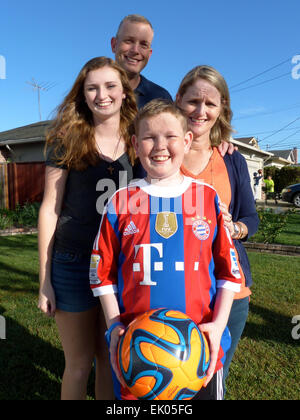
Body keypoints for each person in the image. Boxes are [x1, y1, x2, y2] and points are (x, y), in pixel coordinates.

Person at [90, 99, 242, 400]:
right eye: (149, 137)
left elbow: (230, 274)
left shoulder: (207, 198)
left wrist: (218, 325)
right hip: (138, 352)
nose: (160, 146)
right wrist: (114, 326)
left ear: (187, 141)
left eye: (171, 136)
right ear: (135, 143)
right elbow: (101, 275)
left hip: (200, 350)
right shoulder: (120, 201)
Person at [38, 56, 140, 400]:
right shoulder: (67, 137)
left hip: (121, 265)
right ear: (82, 94)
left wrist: (221, 140)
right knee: (79, 364)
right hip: (74, 261)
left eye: (110, 86)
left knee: (111, 359)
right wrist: (44, 279)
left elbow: (183, 141)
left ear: (124, 91)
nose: (102, 95)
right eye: (92, 87)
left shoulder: (140, 139)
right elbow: (50, 209)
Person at [175, 66, 259, 387]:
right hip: (175, 289)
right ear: (179, 99)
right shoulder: (163, 152)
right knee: (169, 378)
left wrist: (233, 228)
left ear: (222, 107)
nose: (201, 110)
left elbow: (251, 219)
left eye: (211, 103)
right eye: (193, 100)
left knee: (210, 378)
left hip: (231, 292)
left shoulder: (231, 158)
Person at [111, 14, 172, 108]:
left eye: (143, 45)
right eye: (129, 41)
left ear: (149, 54)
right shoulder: (90, 91)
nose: (135, 50)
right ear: (114, 45)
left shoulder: (161, 99)